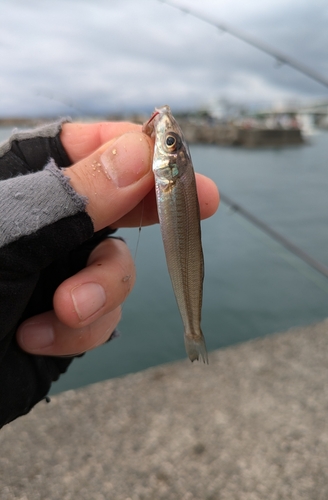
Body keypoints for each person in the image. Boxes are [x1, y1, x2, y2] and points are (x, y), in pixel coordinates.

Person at [0, 119, 219, 427]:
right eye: (170, 142)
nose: (165, 142)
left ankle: (192, 331)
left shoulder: (172, 178)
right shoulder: (167, 176)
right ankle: (192, 331)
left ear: (172, 166)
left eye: (169, 144)